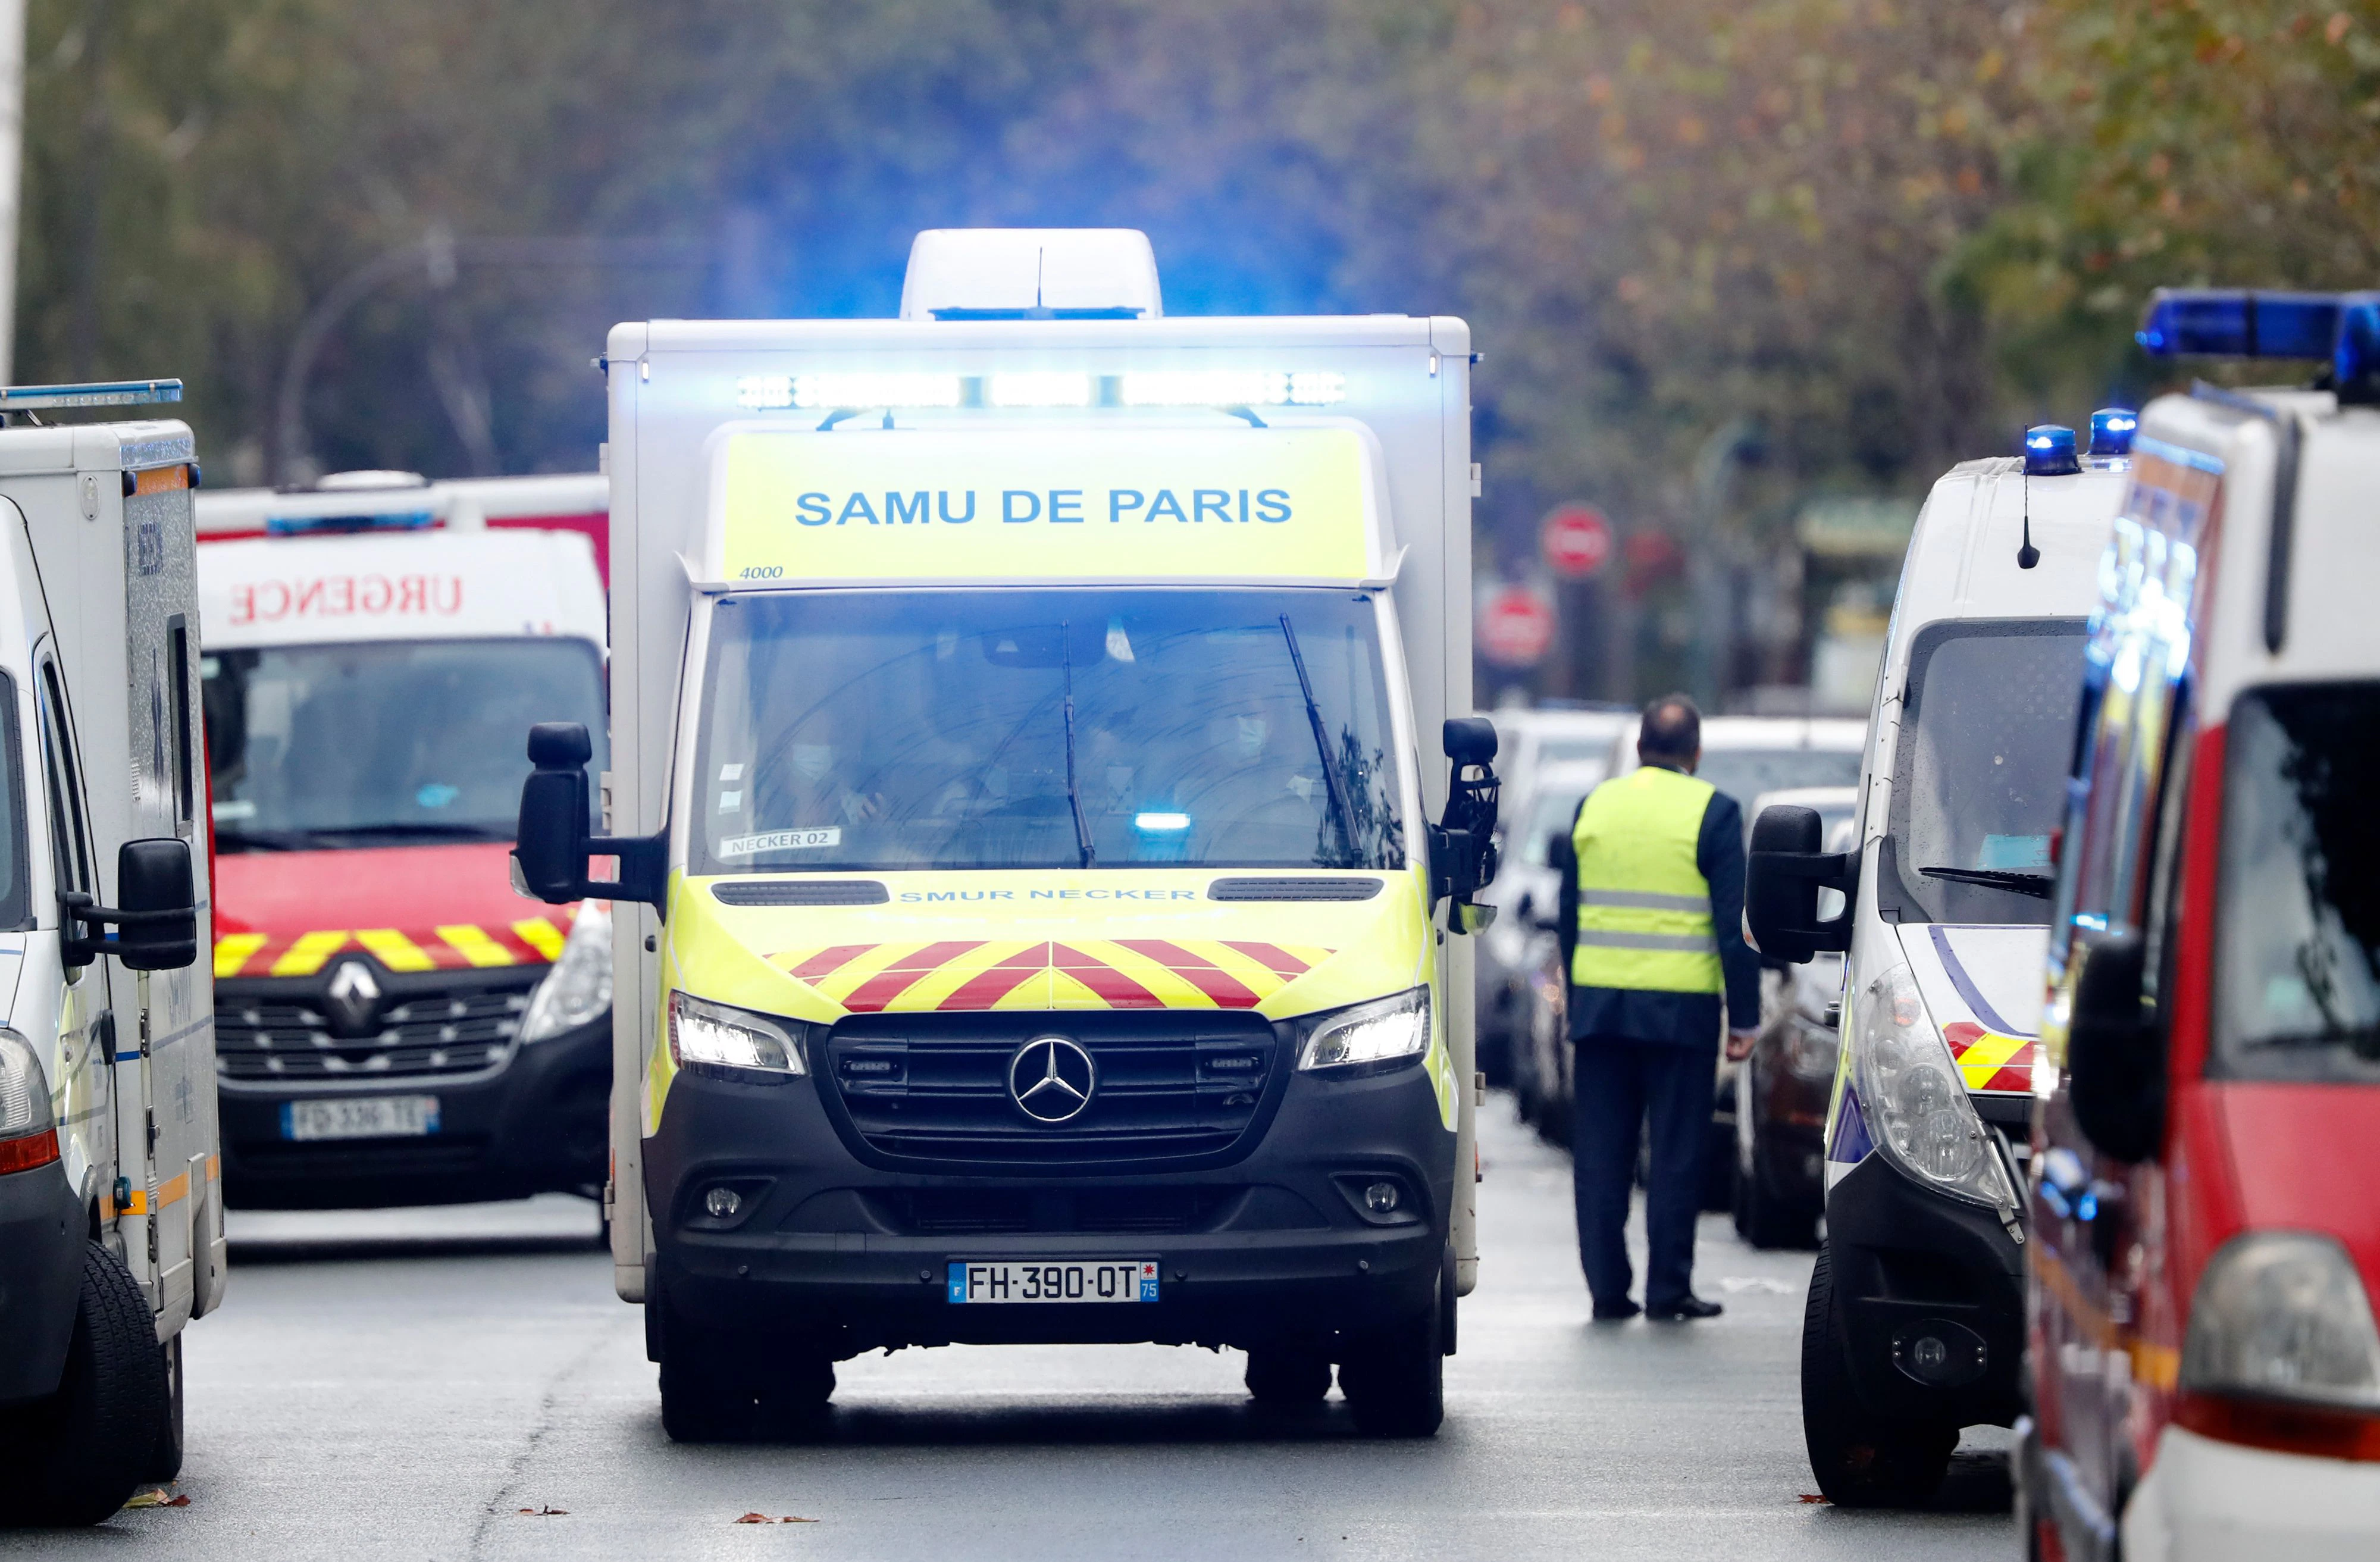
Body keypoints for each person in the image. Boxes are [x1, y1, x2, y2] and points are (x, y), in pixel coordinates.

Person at [1555, 694, 1761, 1323]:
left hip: (1601, 1011)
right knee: (1675, 1157)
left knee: (1600, 1158)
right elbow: (1734, 926)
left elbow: (1569, 917)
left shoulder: (1594, 806)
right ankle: (1668, 1290)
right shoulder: (1715, 812)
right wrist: (1744, 1017)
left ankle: (1607, 1290)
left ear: (1640, 748)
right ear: (1695, 753)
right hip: (1681, 1013)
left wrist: (1574, 1002)